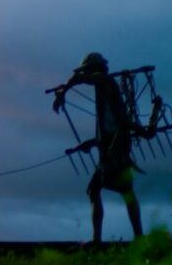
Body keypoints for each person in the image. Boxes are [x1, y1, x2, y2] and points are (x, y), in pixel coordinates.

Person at [52, 52, 143, 243]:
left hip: (117, 146)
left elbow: (80, 78)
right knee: (102, 190)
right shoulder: (102, 89)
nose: (85, 74)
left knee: (112, 190)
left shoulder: (104, 80)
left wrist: (63, 91)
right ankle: (119, 237)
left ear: (94, 69)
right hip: (111, 144)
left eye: (87, 70)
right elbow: (108, 128)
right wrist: (90, 143)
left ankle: (108, 239)